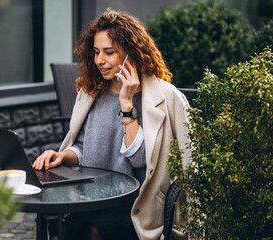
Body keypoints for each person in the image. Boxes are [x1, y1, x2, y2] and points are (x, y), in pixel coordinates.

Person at [33, 8, 190, 240]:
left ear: (132, 53)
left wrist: (126, 103)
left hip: (136, 203)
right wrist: (63, 156)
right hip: (92, 196)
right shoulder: (91, 92)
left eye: (109, 52)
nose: (99, 60)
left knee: (93, 232)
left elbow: (140, 160)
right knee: (58, 231)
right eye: (96, 52)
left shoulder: (164, 97)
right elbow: (85, 146)